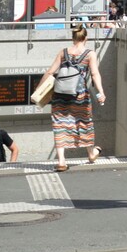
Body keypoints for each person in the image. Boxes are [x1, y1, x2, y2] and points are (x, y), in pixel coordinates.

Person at [43, 25, 107, 171]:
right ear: (86, 38)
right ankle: (91, 154)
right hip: (80, 96)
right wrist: (101, 92)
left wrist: (38, 91)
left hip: (59, 95)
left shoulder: (63, 52)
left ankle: (61, 161)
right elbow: (95, 74)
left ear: (73, 38)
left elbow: (50, 72)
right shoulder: (90, 54)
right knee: (84, 123)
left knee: (59, 125)